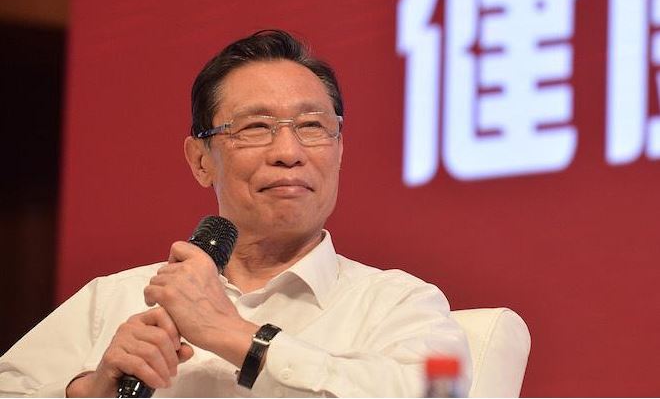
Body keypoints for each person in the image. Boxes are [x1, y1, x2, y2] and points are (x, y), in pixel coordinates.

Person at [0, 30, 471, 397]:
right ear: (200, 160)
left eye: (312, 126)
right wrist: (89, 389)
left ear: (340, 149)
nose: (289, 152)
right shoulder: (113, 299)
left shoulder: (400, 305)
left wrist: (232, 334)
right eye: (256, 127)